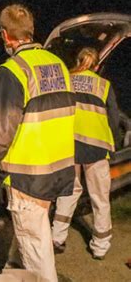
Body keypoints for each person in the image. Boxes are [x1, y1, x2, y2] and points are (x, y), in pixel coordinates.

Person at [0, 4, 76, 282]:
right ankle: (12, 270)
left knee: (36, 249)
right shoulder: (59, 65)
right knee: (32, 232)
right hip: (59, 169)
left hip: (30, 174)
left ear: (6, 35)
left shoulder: (14, 70)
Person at [52, 47, 120, 260]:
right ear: (97, 66)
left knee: (68, 191)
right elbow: (114, 119)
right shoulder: (104, 85)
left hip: (69, 145)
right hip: (97, 147)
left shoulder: (65, 80)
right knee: (100, 197)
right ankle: (100, 247)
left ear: (78, 60)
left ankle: (57, 238)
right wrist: (114, 144)